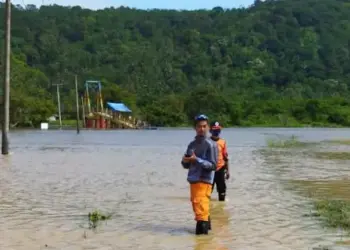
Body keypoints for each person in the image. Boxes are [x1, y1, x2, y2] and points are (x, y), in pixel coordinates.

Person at [181, 114, 218, 235]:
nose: (201, 129)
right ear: (195, 128)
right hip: (193, 180)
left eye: (204, 126)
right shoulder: (191, 145)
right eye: (199, 126)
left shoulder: (211, 144)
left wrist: (197, 160)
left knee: (201, 212)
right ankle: (206, 242)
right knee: (199, 209)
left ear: (208, 127)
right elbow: (186, 165)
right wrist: (185, 161)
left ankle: (201, 241)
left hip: (204, 180)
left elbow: (213, 166)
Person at [209, 121, 229, 202]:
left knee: (222, 190)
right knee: (208, 190)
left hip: (220, 169)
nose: (216, 132)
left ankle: (221, 207)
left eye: (218, 130)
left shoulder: (223, 142)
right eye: (214, 130)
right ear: (210, 131)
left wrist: (228, 171)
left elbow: (226, 157)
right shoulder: (207, 142)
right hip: (209, 169)